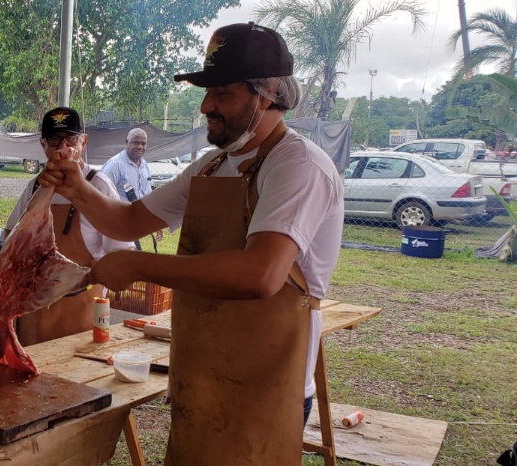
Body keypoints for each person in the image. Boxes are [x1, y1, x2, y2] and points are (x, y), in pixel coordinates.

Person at [38, 22, 344, 464]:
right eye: (207, 93)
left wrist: (141, 267)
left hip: (266, 385)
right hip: (201, 372)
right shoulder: (209, 166)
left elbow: (261, 274)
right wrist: (79, 189)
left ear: (266, 94)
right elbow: (127, 222)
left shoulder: (297, 165)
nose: (205, 106)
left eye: (222, 94)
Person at [1, 107, 134, 346]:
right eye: (54, 141)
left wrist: (89, 272)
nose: (62, 150)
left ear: (83, 142)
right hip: (33, 321)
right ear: (43, 145)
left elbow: (124, 255)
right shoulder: (34, 188)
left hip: (80, 322)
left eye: (70, 140)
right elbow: (7, 239)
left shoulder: (99, 187)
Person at [100, 128, 164, 248]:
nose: (140, 146)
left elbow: (147, 196)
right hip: (117, 224)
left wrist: (155, 222)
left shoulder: (144, 165)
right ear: (127, 142)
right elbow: (100, 195)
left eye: (143, 143)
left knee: (134, 260)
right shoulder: (115, 165)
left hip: (134, 224)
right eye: (136, 142)